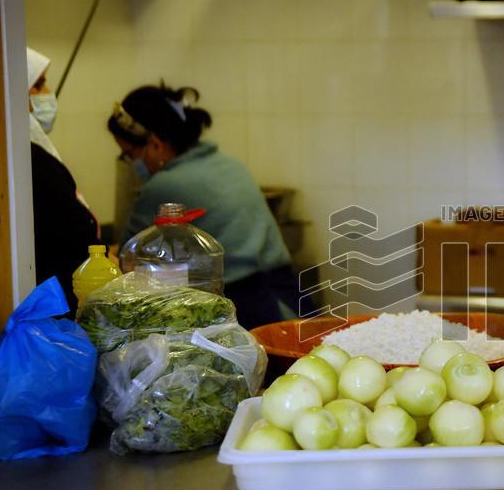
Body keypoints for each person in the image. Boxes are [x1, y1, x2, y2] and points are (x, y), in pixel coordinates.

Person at [107, 83, 299, 328]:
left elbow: (127, 259)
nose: (132, 164)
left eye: (129, 154)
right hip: (288, 294)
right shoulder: (229, 165)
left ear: (155, 144)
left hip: (243, 304)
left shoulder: (164, 186)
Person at [26, 47, 100, 311]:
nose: (47, 94)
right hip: (53, 306)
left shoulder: (39, 156)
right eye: (38, 85)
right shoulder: (27, 161)